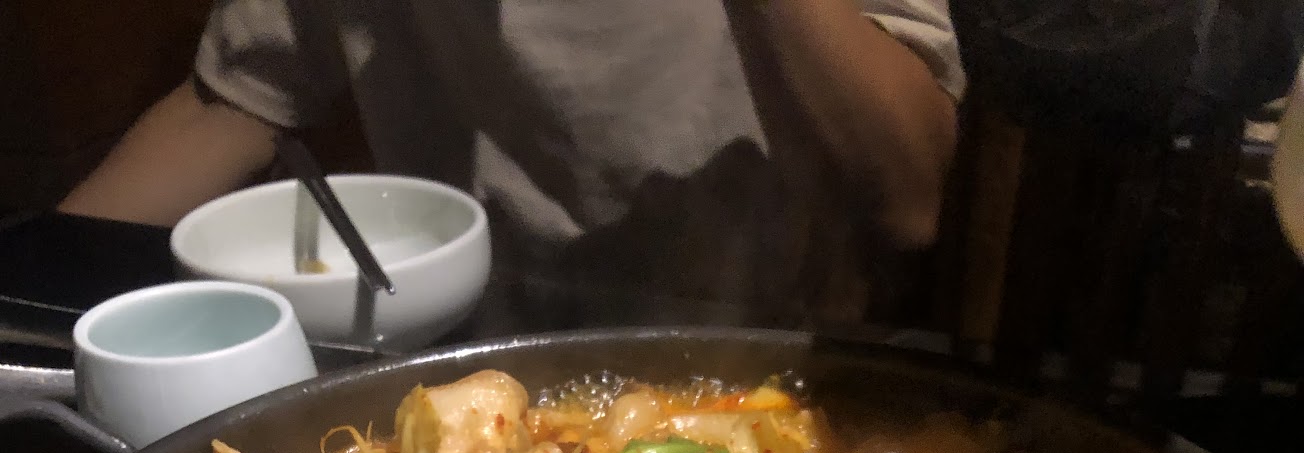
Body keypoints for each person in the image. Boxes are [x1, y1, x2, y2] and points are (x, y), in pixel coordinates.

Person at [61, 1, 964, 321]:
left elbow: (910, 196)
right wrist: (31, 269)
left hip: (757, 366)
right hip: (470, 355)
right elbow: (231, 106)